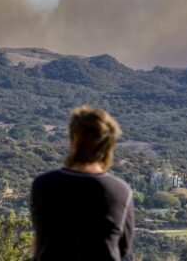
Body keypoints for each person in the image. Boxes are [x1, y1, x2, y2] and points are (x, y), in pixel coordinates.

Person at [31, 106, 134, 261]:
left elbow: (40, 242)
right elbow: (123, 248)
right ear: (108, 145)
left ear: (74, 140)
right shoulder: (120, 191)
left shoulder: (43, 185)